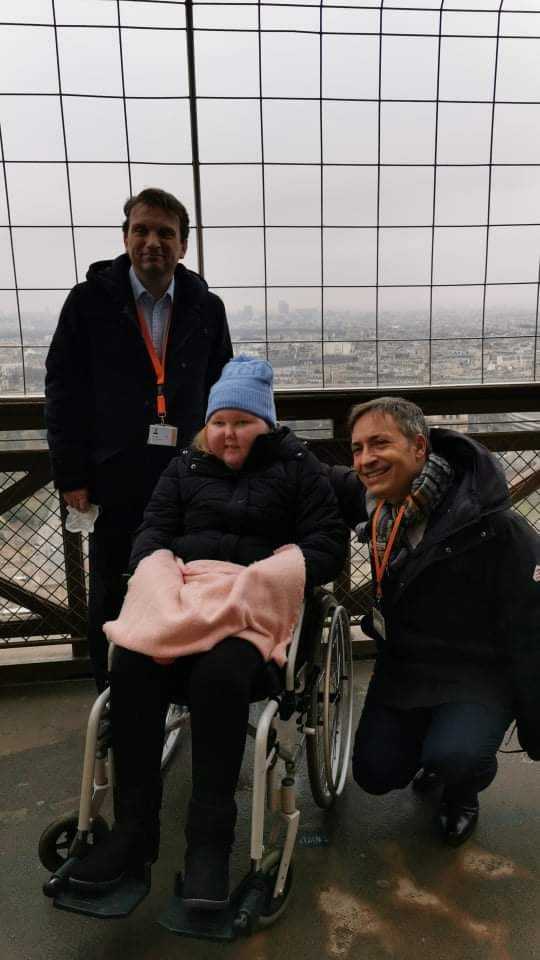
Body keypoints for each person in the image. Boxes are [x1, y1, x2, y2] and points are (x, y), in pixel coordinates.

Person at [64, 355, 348, 909]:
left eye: (241, 421)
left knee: (220, 676)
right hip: (186, 600)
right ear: (207, 426)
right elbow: (152, 533)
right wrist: (160, 573)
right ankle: (133, 834)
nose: (227, 433)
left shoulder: (299, 467)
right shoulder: (184, 468)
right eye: (219, 422)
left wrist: (271, 574)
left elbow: (327, 545)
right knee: (132, 665)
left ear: (265, 423)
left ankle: (209, 848)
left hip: (249, 610)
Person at [45, 188, 232, 690]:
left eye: (164, 233)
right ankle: (111, 692)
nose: (152, 241)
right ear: (125, 238)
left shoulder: (207, 308)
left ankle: (180, 685)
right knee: (112, 585)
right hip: (114, 471)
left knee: (189, 578)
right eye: (141, 230)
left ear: (183, 246)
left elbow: (222, 389)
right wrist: (72, 474)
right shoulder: (88, 303)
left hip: (187, 472)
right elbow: (63, 391)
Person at [332, 396, 540, 847]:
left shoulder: (495, 527)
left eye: (380, 443)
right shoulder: (377, 504)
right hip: (406, 666)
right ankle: (440, 749)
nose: (366, 459)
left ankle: (463, 787)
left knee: (456, 757)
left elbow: (530, 629)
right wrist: (244, 428)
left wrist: (534, 720)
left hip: (476, 672)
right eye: (357, 448)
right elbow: (304, 474)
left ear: (419, 447)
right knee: (375, 773)